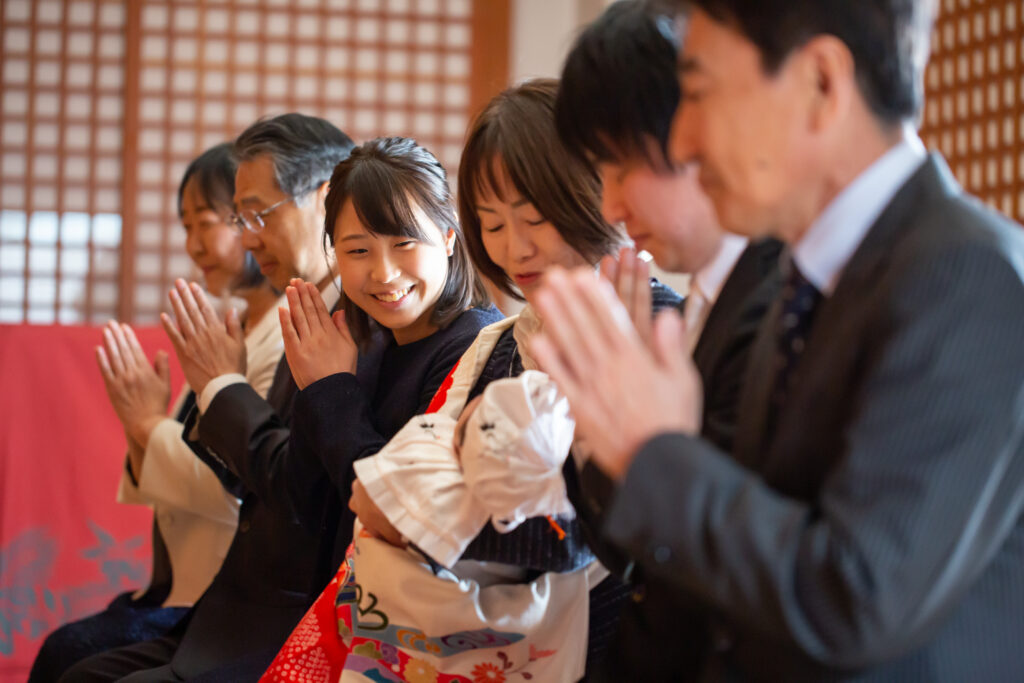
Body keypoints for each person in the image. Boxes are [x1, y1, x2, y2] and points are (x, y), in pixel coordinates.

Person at [530, 0, 1024, 680]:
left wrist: (654, 449)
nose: (684, 143)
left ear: (822, 83)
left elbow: (854, 595)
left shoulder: (968, 272)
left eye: (698, 93)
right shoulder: (809, 280)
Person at [343, 79, 681, 679]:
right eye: (492, 225)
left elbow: (580, 527)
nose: (514, 250)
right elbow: (405, 473)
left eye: (534, 219)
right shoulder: (497, 342)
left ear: (595, 195)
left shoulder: (659, 327)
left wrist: (414, 520)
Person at [60, 114, 355, 682]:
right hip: (226, 597)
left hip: (280, 605)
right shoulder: (276, 316)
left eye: (253, 217)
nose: (243, 238)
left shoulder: (343, 321)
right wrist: (145, 422)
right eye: (237, 220)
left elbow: (261, 487)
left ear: (325, 199)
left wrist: (156, 420)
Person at [553, 2, 782, 676]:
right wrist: (598, 434)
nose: (610, 208)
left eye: (623, 167)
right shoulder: (700, 298)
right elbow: (623, 546)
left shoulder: (779, 300)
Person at [29, 144, 282, 682]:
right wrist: (139, 422)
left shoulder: (285, 336)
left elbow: (237, 489)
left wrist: (147, 423)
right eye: (185, 227)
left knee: (67, 656)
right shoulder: (234, 324)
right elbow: (180, 468)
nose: (193, 246)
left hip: (225, 597)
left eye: (208, 223)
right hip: (177, 584)